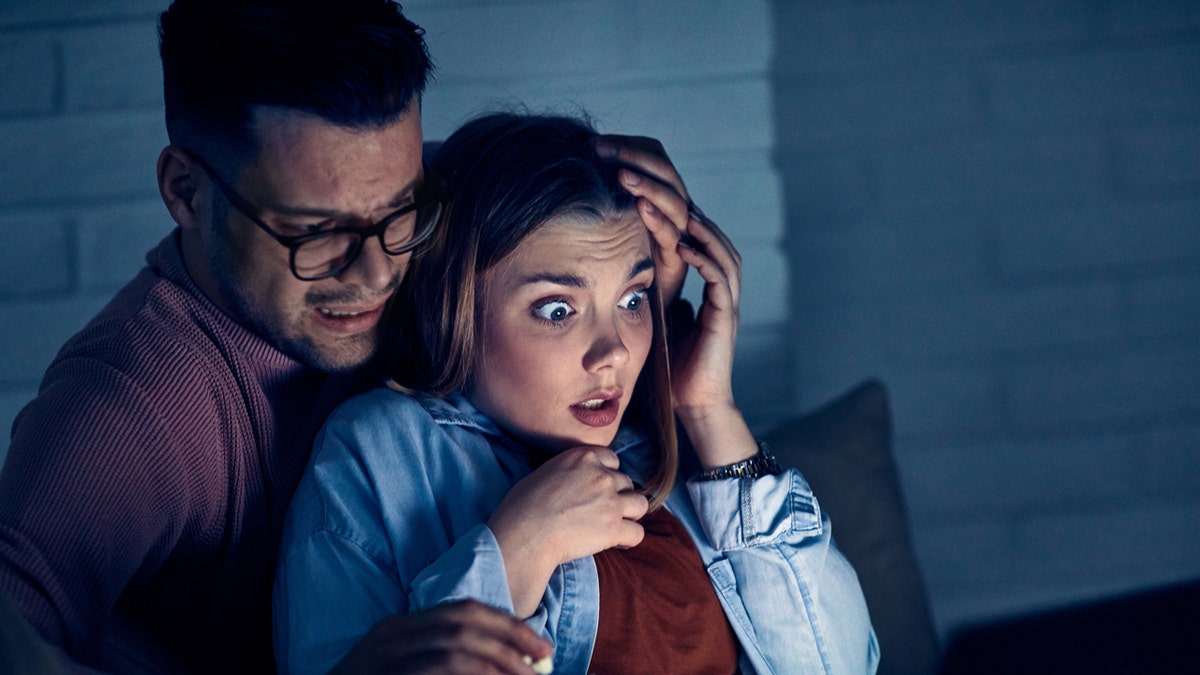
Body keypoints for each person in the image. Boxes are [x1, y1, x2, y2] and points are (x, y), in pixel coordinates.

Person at [0, 1, 694, 672]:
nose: (377, 272)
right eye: (317, 233)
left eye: (402, 211)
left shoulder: (423, 212)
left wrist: (659, 278)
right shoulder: (124, 409)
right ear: (186, 191)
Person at [274, 113, 879, 674]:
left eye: (632, 299)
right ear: (452, 308)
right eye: (557, 308)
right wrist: (515, 554)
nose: (613, 351)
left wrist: (709, 411)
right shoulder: (379, 451)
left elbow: (838, 664)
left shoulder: (665, 447)